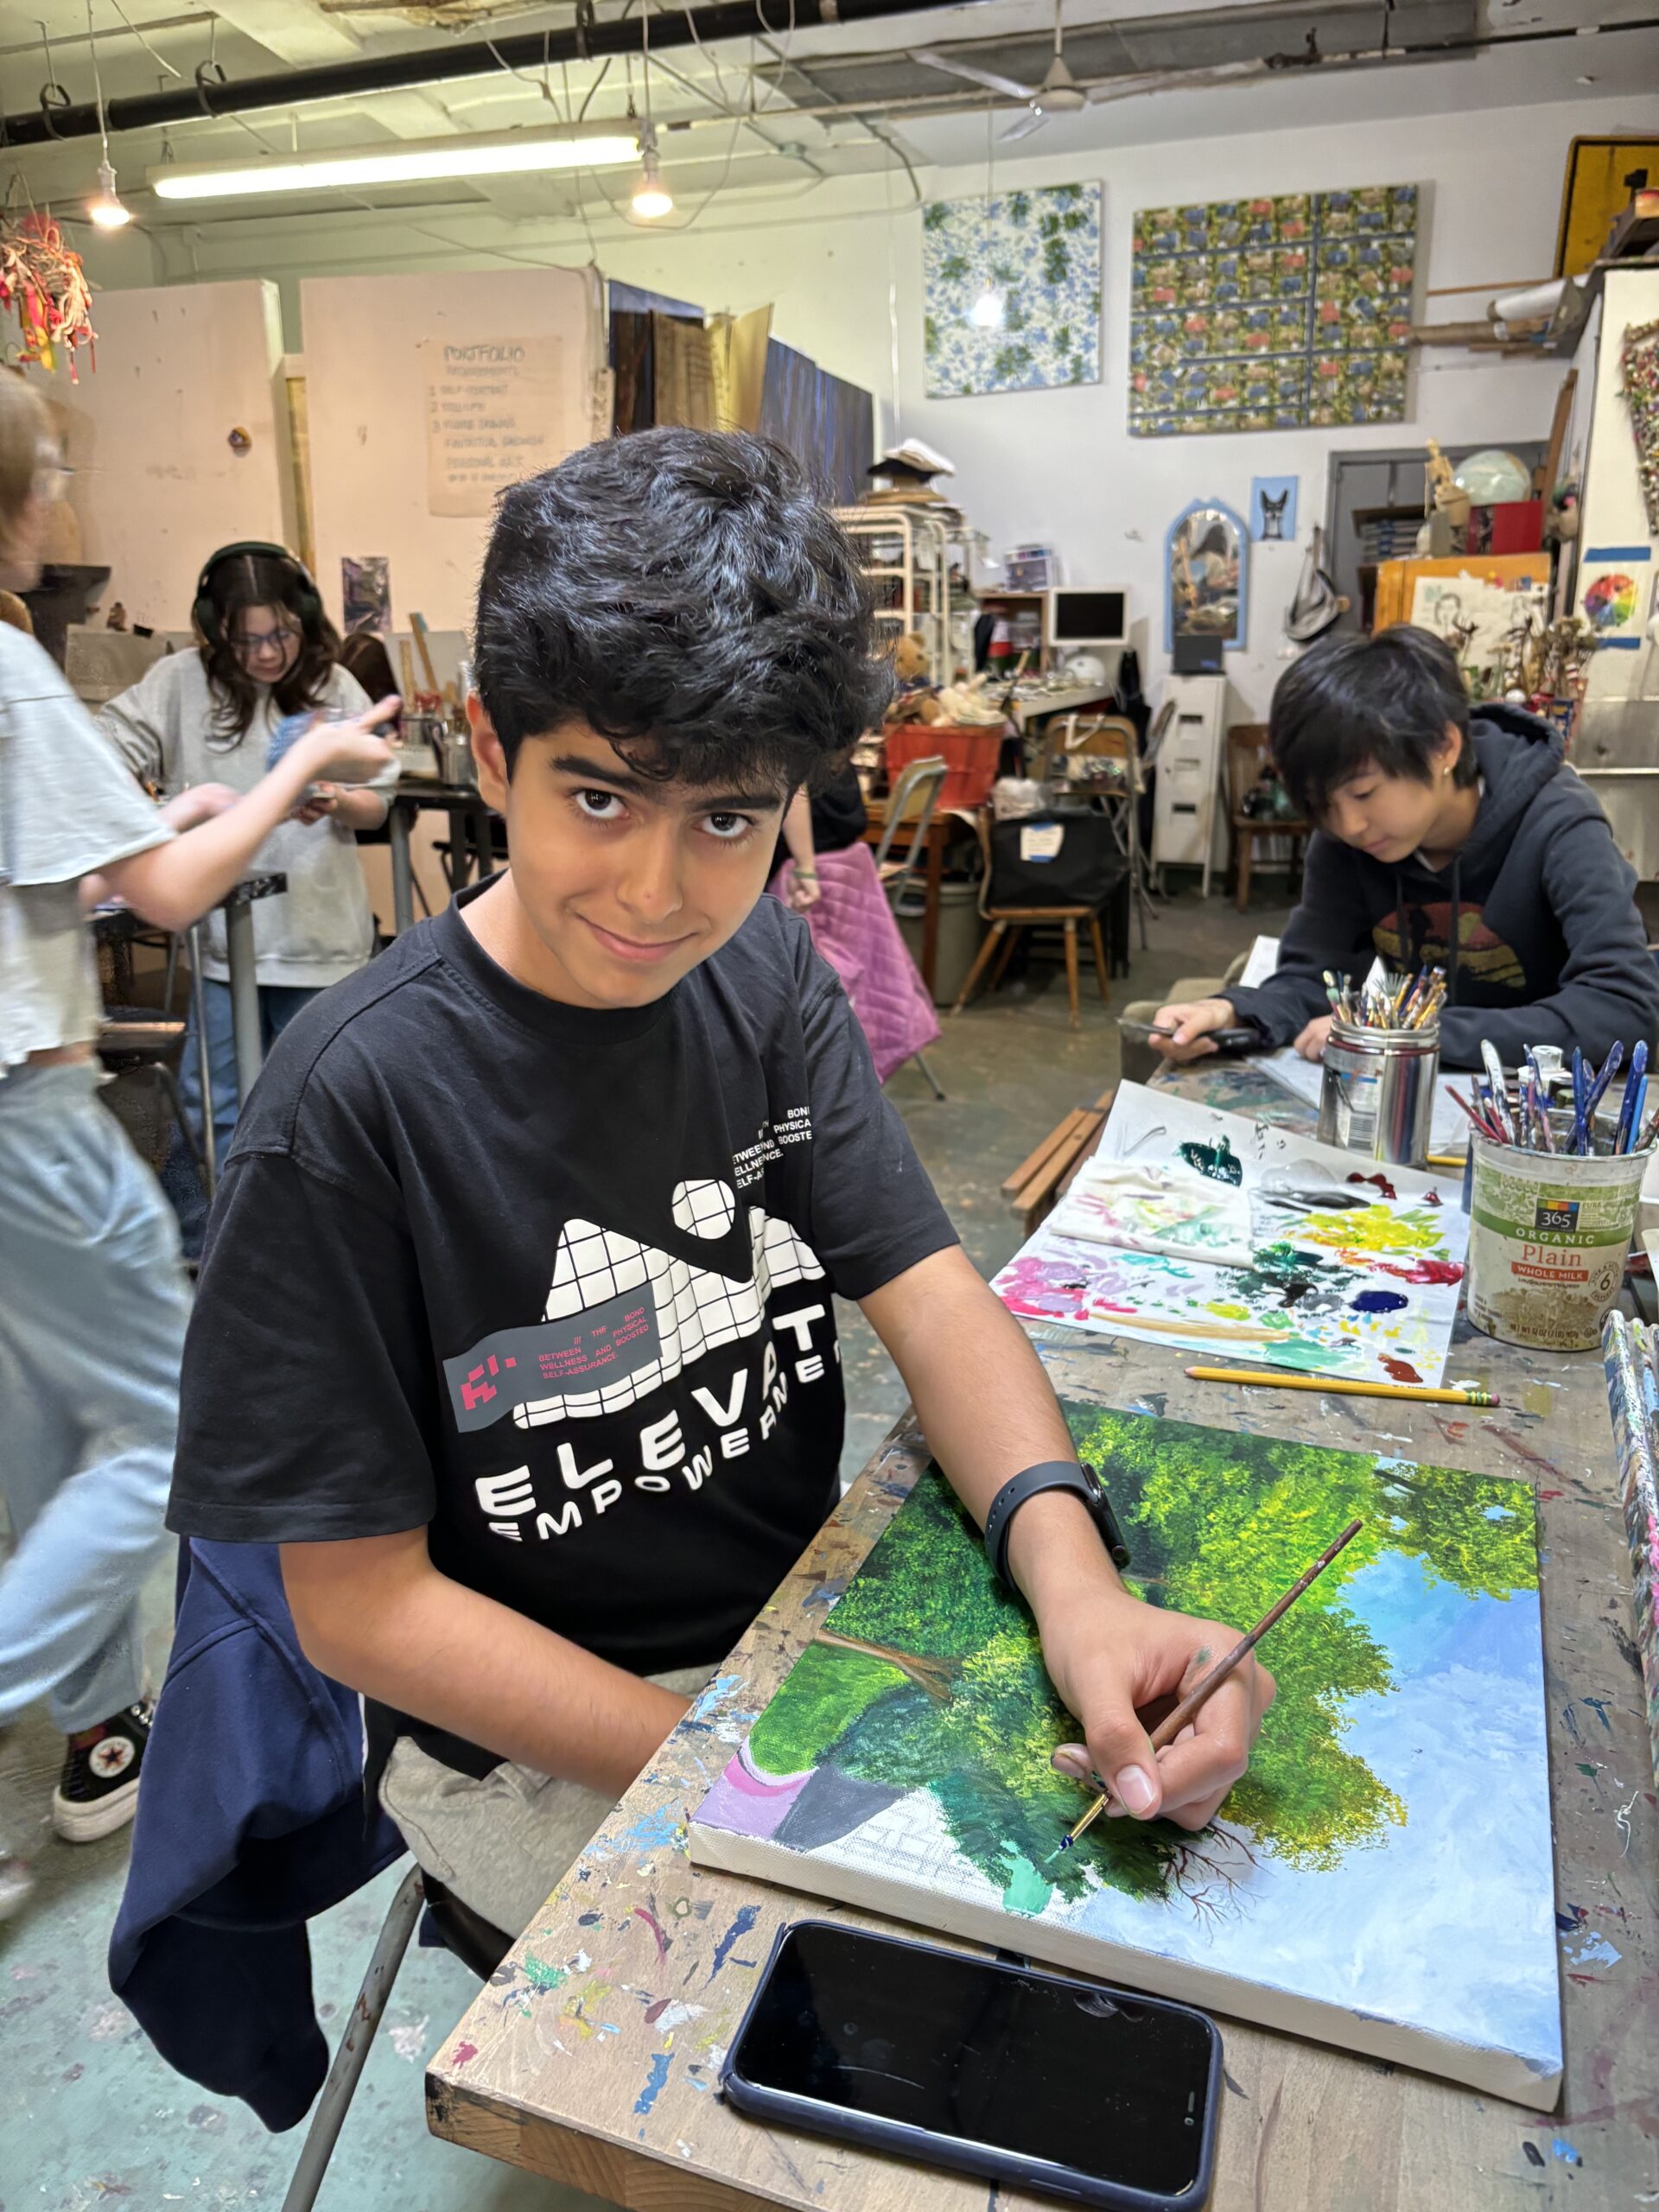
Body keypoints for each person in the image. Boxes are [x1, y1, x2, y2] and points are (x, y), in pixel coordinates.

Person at [165, 429, 1272, 1942]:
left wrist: (1077, 1587)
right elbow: (354, 1605)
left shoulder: (759, 974)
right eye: (602, 799)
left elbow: (933, 1297)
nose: (657, 892)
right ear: (490, 752)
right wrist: (722, 1763)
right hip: (528, 1738)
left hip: (791, 1637)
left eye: (730, 821)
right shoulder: (352, 1104)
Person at [0, 371, 397, 1913]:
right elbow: (161, 900)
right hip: (29, 1108)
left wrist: (182, 823)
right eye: (45, 478)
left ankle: (101, 1742)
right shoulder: (18, 661)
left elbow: (99, 877)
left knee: (42, 1447)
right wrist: (297, 770)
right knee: (169, 1431)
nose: (59, 512)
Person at [1153, 626, 1659, 1072]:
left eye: (1363, 792)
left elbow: (1622, 1008)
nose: (1348, 823)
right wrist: (1234, 1013)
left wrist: (1410, 1036)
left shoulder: (1560, 824)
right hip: (1415, 1104)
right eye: (1322, 804)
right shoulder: (1349, 840)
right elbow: (1315, 978)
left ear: (1443, 748)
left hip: (1550, 1115)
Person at [97, 543, 397, 1252]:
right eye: (247, 639)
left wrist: (334, 797)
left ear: (306, 621)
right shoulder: (177, 682)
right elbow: (99, 750)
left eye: (282, 635)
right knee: (219, 1108)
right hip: (219, 944)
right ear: (215, 629)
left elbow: (379, 807)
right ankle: (241, 1250)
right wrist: (168, 808)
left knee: (322, 1106)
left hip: (318, 940)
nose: (267, 654)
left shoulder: (336, 688)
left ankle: (322, 1252)